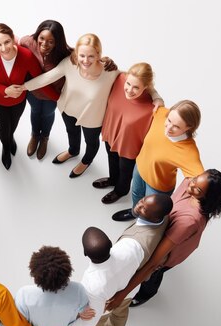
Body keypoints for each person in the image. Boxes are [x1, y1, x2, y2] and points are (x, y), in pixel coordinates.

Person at [106, 169, 221, 310]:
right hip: (166, 233)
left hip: (170, 251)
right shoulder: (190, 182)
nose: (191, 186)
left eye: (198, 189)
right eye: (195, 179)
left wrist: (123, 294)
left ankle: (147, 293)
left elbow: (153, 262)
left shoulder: (189, 221)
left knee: (155, 272)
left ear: (208, 197)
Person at [69, 193, 173, 326]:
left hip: (109, 300)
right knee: (121, 312)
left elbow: (91, 317)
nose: (139, 205)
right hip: (130, 290)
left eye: (145, 209)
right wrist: (124, 293)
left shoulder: (97, 279)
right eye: (143, 201)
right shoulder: (162, 220)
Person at [21, 33, 118, 178]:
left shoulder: (110, 72)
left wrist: (155, 97)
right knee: (71, 132)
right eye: (82, 55)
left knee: (91, 142)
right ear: (76, 53)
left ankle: (86, 161)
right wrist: (22, 87)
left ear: (99, 54)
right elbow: (48, 77)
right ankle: (73, 151)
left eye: (91, 56)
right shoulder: (70, 63)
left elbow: (135, 80)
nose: (85, 61)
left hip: (92, 117)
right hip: (68, 109)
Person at [0, 23, 59, 170]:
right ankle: (6, 146)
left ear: (13, 38)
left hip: (19, 102)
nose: (4, 48)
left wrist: (59, 98)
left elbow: (41, 81)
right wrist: (4, 90)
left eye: (7, 42)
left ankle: (10, 139)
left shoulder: (26, 56)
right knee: (4, 127)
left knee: (13, 124)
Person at [112, 99, 204, 221]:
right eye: (169, 120)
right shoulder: (161, 115)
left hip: (157, 186)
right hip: (139, 168)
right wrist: (157, 97)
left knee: (150, 213)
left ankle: (143, 226)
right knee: (136, 194)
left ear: (189, 128)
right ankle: (134, 213)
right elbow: (147, 91)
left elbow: (202, 181)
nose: (168, 128)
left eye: (176, 126)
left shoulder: (188, 151)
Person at [93, 62, 161, 204]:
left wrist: (157, 97)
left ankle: (121, 190)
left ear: (146, 87)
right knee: (111, 157)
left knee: (125, 170)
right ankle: (112, 179)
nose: (129, 90)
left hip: (130, 146)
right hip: (111, 133)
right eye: (128, 84)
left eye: (136, 87)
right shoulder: (119, 80)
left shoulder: (152, 108)